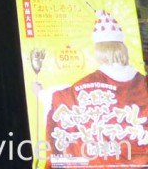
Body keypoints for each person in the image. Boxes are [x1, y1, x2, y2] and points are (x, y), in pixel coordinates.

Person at [42, 10, 148, 166]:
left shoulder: (78, 90)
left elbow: (58, 102)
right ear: (123, 49)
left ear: (98, 52)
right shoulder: (142, 85)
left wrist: (42, 93)